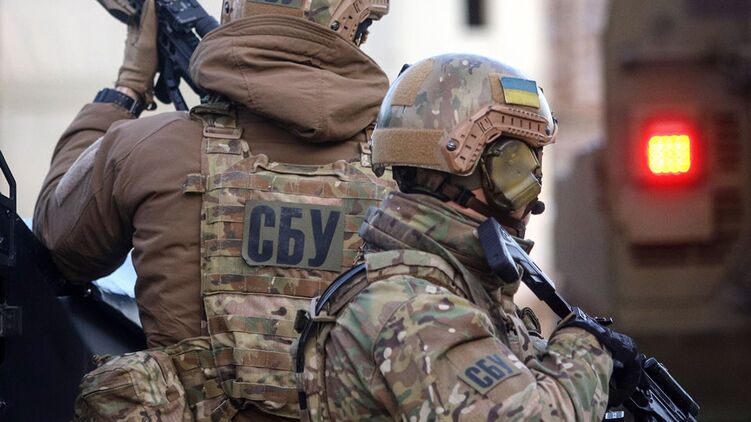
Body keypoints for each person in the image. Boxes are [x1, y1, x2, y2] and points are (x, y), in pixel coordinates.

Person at [33, 0, 393, 420]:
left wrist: (126, 88)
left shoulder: (148, 147)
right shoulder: (409, 170)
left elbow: (55, 244)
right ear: (351, 25)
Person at [295, 54, 643, 421]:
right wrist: (586, 352)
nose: (535, 180)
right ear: (471, 160)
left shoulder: (451, 287)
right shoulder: (415, 310)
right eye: (525, 159)